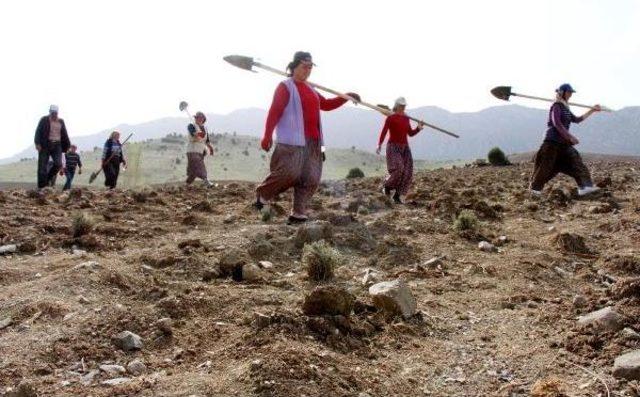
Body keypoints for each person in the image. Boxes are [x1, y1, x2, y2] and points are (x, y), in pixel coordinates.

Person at [255, 51, 360, 224]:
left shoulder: (311, 88)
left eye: (310, 68)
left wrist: (345, 97)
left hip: (313, 141)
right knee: (290, 173)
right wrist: (266, 135)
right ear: (294, 67)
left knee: (311, 178)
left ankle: (298, 212)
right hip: (292, 141)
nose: (308, 70)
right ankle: (263, 193)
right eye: (304, 67)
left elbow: (325, 104)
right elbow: (274, 111)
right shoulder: (285, 87)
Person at [530, 83, 602, 196]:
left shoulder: (565, 108)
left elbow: (577, 120)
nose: (570, 95)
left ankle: (585, 187)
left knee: (576, 161)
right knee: (546, 166)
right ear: (561, 92)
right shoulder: (556, 106)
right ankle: (535, 189)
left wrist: (591, 111)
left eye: (571, 93)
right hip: (552, 142)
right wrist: (570, 136)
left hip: (563, 143)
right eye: (568, 92)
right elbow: (557, 123)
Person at [376, 97, 424, 203]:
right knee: (399, 168)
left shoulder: (406, 118)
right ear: (396, 106)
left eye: (404, 106)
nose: (403, 107)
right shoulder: (390, 118)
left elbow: (410, 133)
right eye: (401, 106)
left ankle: (397, 196)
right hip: (393, 147)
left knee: (407, 171)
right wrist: (379, 144)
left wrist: (418, 128)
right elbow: (384, 132)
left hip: (405, 148)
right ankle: (387, 186)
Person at [34, 105, 70, 190]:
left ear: (57, 113)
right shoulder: (44, 120)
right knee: (42, 166)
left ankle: (47, 180)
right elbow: (38, 131)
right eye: (52, 113)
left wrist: (67, 145)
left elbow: (64, 133)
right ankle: (41, 187)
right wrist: (37, 143)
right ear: (49, 112)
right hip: (45, 144)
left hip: (57, 144)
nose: (54, 114)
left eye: (55, 113)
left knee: (58, 164)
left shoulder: (61, 121)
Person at [186, 111, 214, 187]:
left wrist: (210, 148)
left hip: (200, 151)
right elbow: (193, 133)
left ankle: (187, 185)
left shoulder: (205, 128)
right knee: (199, 165)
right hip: (192, 150)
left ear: (203, 119)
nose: (198, 119)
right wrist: (198, 134)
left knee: (194, 171)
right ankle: (206, 180)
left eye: (200, 118)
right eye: (196, 118)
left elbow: (207, 140)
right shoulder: (191, 125)